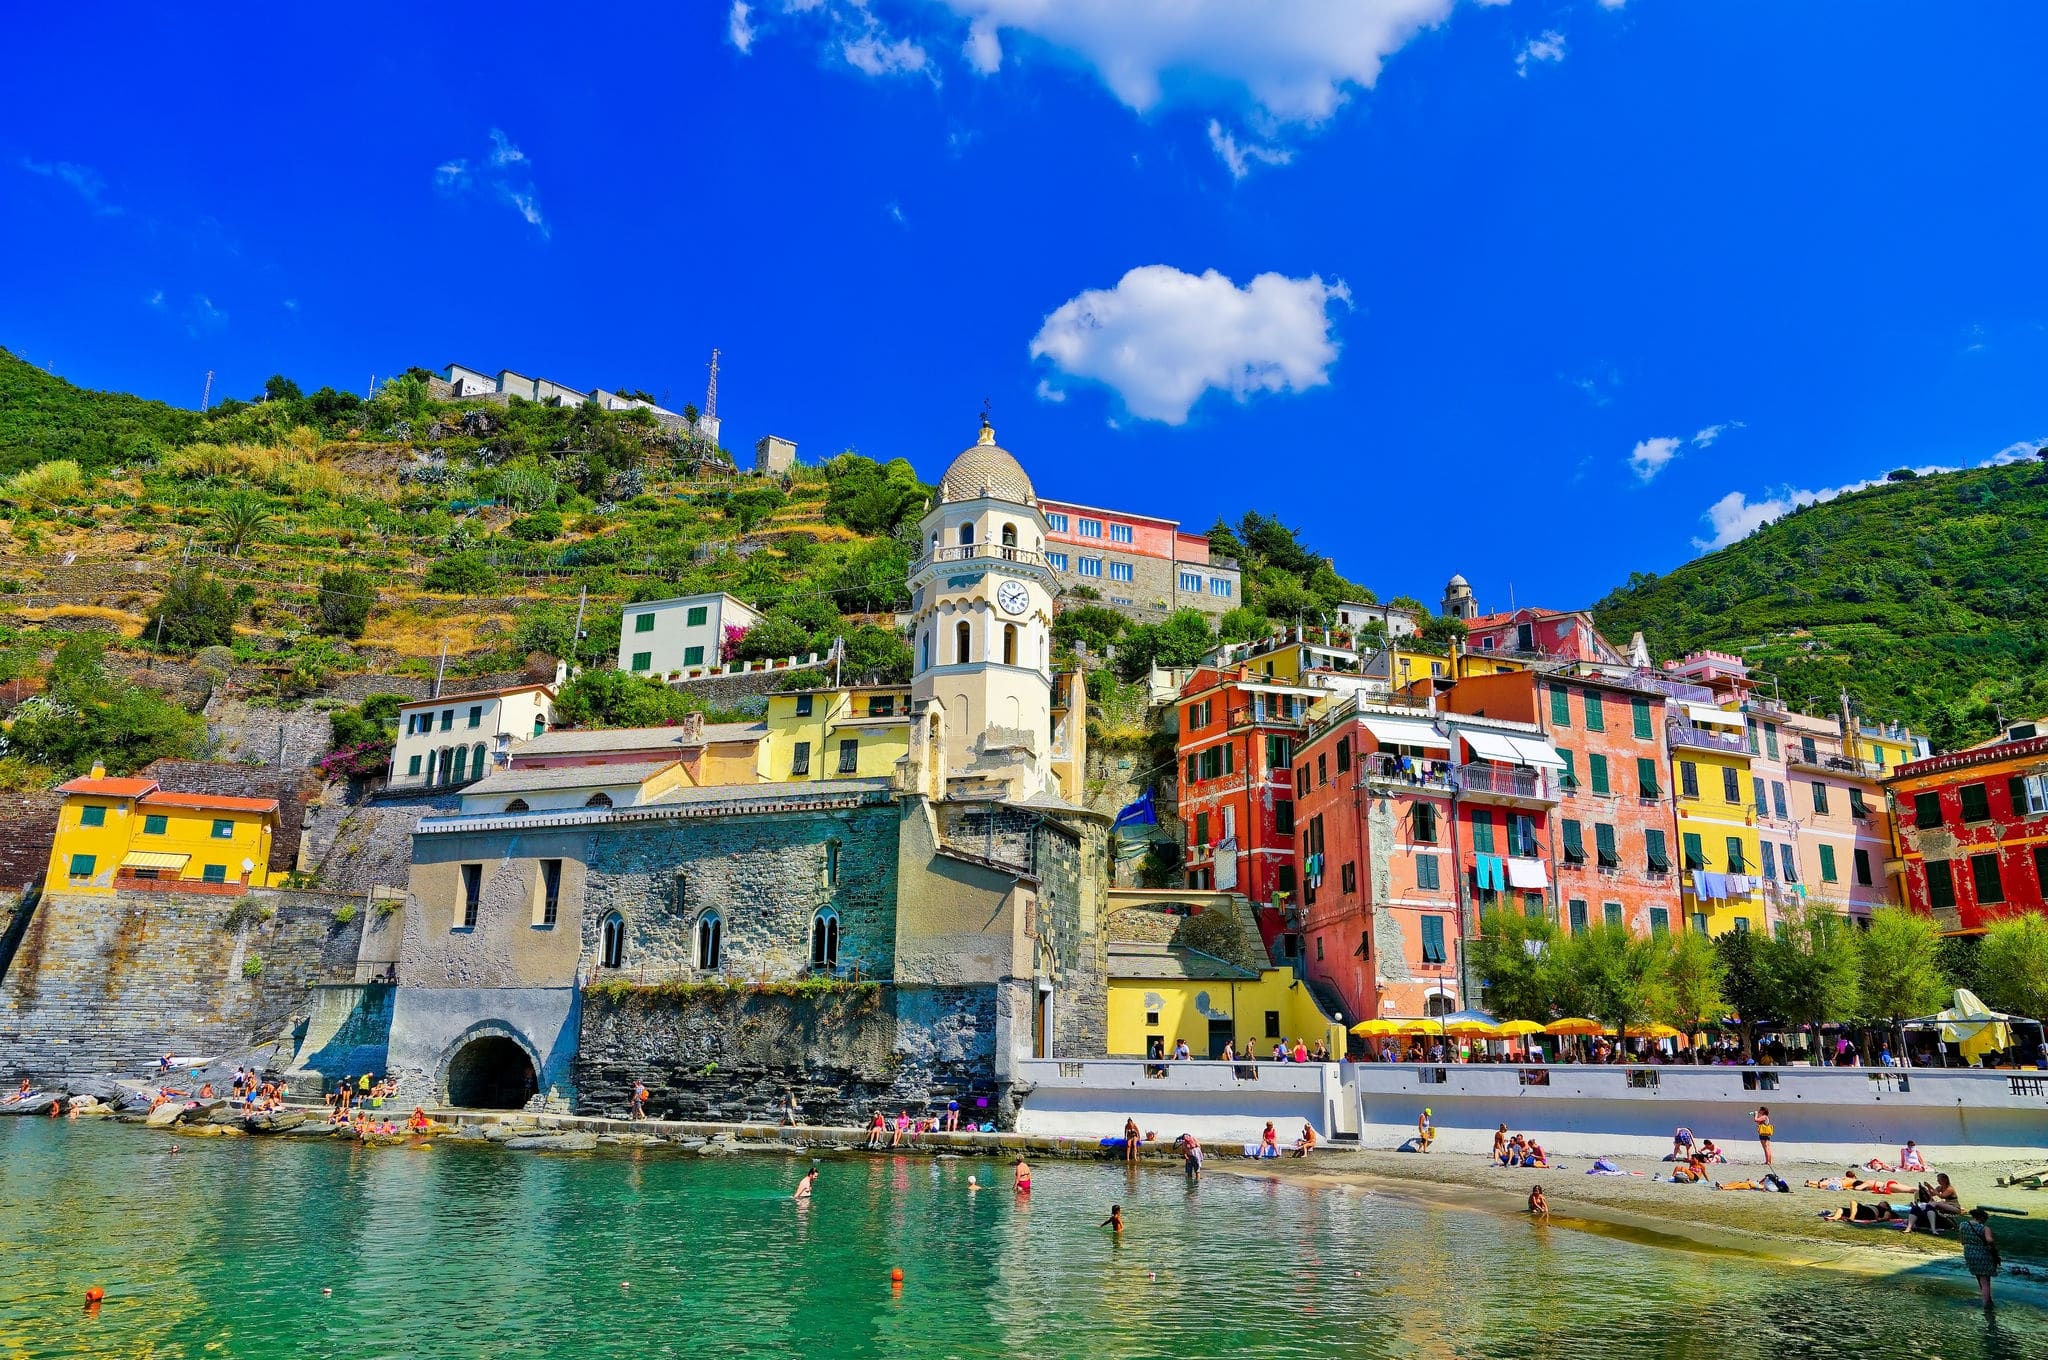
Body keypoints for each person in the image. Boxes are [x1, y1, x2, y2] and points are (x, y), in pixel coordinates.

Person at [1960, 1207, 2000, 1310]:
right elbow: (1989, 1240)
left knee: (1979, 1276)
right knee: (1985, 1280)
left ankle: (1988, 1299)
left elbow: (1962, 1241)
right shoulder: (1984, 1228)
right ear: (1981, 1218)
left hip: (1969, 1254)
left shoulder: (1963, 1225)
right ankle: (1987, 1304)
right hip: (1983, 1254)